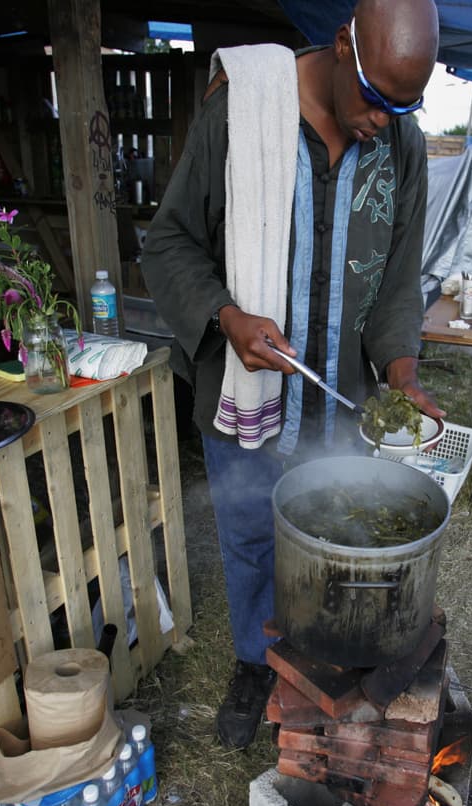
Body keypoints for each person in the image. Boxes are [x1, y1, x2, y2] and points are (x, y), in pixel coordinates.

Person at [142, 0, 444, 749]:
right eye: (376, 100)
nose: (383, 121)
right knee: (248, 533)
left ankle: (317, 665)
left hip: (337, 390)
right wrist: (224, 315)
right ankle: (253, 662)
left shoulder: (399, 145)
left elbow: (398, 279)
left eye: (404, 107)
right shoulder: (242, 113)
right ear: (344, 45)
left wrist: (401, 374)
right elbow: (170, 243)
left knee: (333, 537)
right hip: (245, 382)